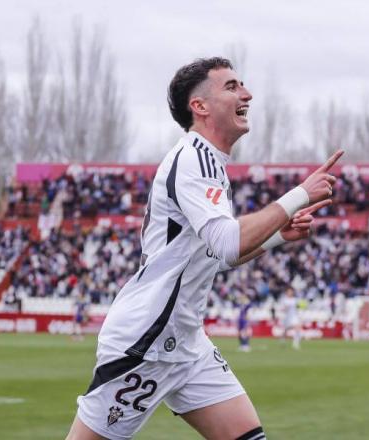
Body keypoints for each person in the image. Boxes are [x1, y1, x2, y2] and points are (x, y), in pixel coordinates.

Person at [66, 57, 343, 440]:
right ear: (200, 106)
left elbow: (212, 258)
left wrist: (279, 235)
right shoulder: (193, 159)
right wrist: (298, 196)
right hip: (146, 344)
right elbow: (230, 244)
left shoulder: (211, 163)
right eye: (231, 86)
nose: (246, 94)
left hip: (187, 344)